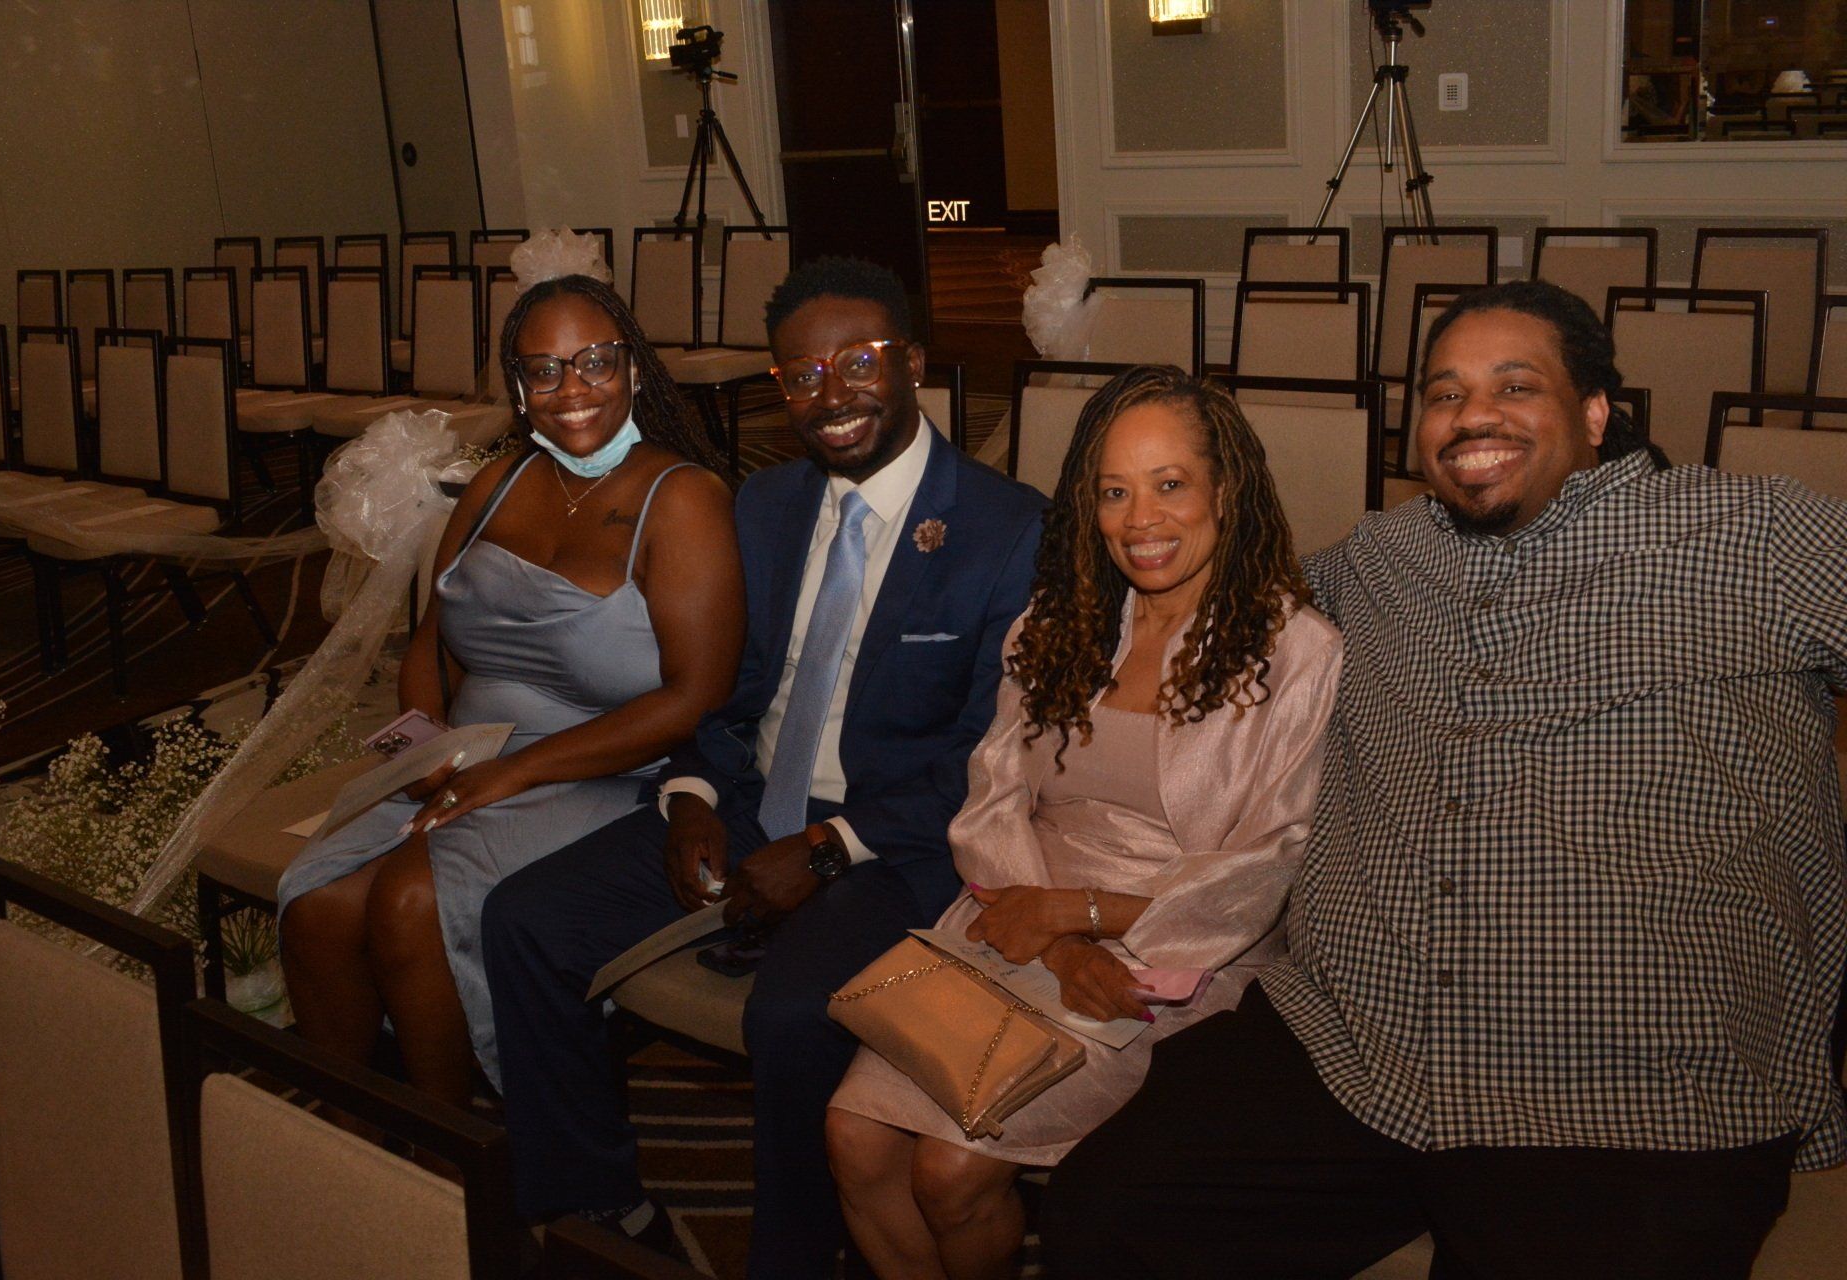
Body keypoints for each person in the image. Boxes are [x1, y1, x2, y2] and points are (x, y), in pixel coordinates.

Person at [1043, 280, 1847, 1278]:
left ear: (1596, 412)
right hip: (1352, 1046)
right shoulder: (1381, 556)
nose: (1473, 415)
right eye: (1444, 393)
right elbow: (1223, 611)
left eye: (1516, 386)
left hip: (1635, 1081)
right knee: (1099, 1217)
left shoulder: (1751, 537)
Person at [480, 257, 1046, 1274]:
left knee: (790, 1013)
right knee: (524, 920)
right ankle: (593, 1201)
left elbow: (991, 754)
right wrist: (693, 795)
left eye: (859, 362)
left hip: (895, 839)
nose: (832, 395)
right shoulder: (767, 504)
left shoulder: (1008, 529)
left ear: (914, 362)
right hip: (749, 800)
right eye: (802, 375)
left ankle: (795, 1256)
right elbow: (719, 685)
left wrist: (828, 848)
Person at [825, 366, 1341, 1280]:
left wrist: (1080, 919)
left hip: (1175, 956)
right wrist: (1054, 938)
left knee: (950, 1170)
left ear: (1226, 489)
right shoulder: (1058, 624)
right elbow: (992, 797)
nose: (1141, 520)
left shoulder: (1296, 651)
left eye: (1170, 484)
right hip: (1012, 917)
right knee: (854, 1138)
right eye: (1114, 492)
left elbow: (1271, 862)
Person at [277, 274, 743, 1108]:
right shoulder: (496, 484)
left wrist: (511, 774)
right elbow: (432, 639)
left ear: (633, 368)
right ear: (519, 389)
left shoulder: (682, 499)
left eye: (595, 361)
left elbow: (696, 698)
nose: (573, 388)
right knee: (317, 906)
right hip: (468, 763)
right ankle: (352, 1134)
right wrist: (424, 740)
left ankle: (456, 1145)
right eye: (544, 370)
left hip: (606, 773)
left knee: (409, 900)